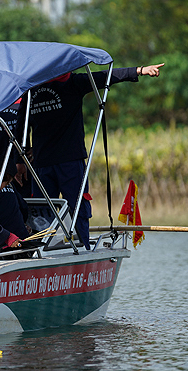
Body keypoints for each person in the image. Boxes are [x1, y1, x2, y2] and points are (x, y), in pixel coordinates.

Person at [28, 63, 165, 250]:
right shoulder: (34, 89)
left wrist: (138, 70)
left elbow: (104, 76)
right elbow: (21, 124)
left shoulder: (68, 83)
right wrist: (24, 153)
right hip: (53, 163)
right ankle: (41, 250)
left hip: (57, 161)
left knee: (74, 209)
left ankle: (82, 247)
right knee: (45, 212)